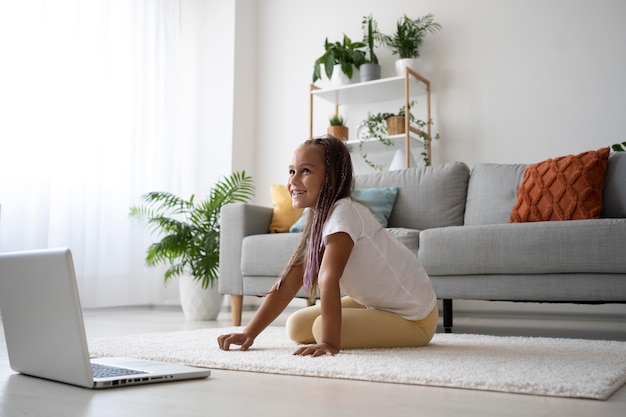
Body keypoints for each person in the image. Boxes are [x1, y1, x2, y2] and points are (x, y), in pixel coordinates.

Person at [217, 135, 438, 357]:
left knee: (320, 328)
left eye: (305, 171)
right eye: (292, 171)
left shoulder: (344, 212)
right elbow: (290, 280)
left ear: (331, 178)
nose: (293, 181)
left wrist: (329, 343)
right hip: (376, 304)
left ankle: (332, 337)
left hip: (414, 316)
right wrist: (249, 333)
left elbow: (328, 277)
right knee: (296, 325)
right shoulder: (320, 218)